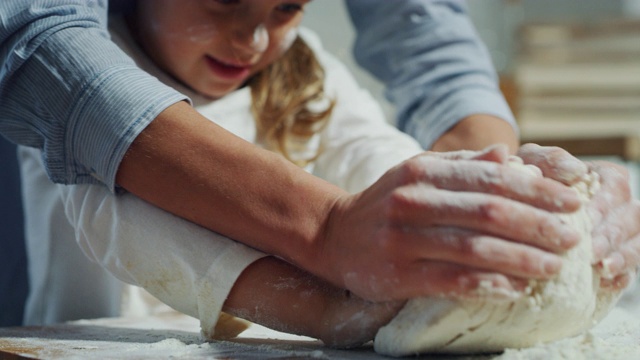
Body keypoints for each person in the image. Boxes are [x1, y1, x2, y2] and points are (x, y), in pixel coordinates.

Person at [1, 0, 638, 328]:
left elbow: (379, 160)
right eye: (224, 0)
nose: (253, 41)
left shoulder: (301, 70)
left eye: (285, 8)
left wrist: (485, 191)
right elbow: (114, 219)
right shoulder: (76, 93)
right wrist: (331, 310)